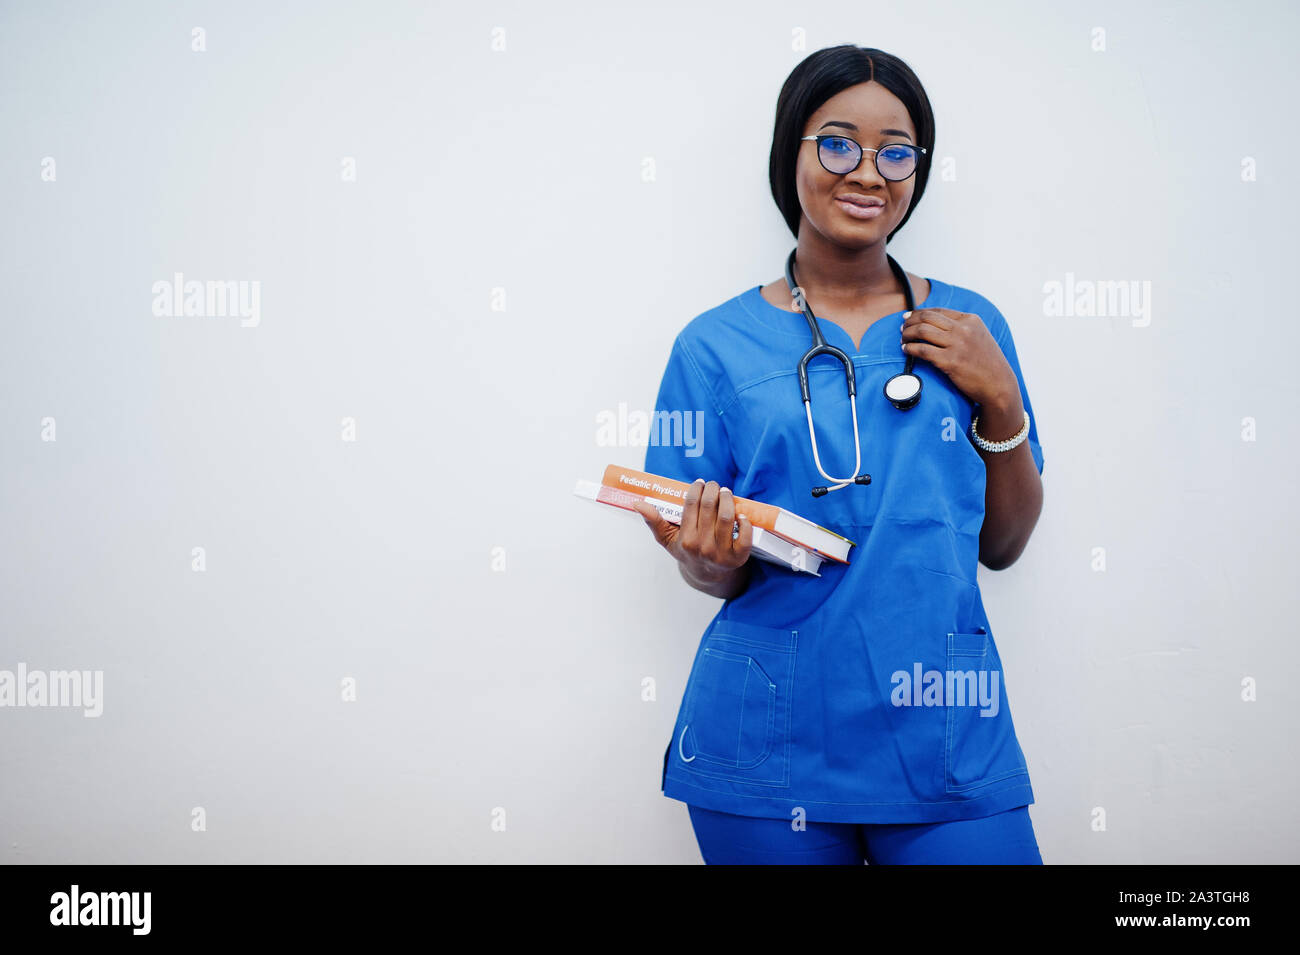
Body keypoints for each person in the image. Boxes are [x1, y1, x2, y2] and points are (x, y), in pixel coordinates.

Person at [632, 44, 1046, 865]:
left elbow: (1003, 545)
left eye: (897, 150)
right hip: (767, 736)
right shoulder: (715, 345)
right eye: (837, 141)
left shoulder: (973, 330)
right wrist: (706, 559)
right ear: (792, 153)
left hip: (945, 732)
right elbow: (703, 557)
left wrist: (1001, 399)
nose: (868, 171)